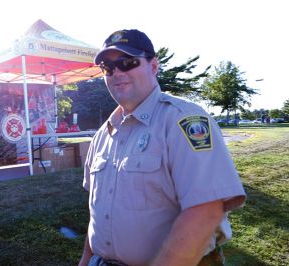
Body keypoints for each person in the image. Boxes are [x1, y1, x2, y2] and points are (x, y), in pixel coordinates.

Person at [79, 29, 246, 266]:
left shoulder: (183, 120)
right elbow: (98, 213)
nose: (116, 72)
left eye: (127, 62)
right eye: (108, 66)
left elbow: (206, 211)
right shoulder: (103, 135)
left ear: (154, 66)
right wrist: (86, 259)